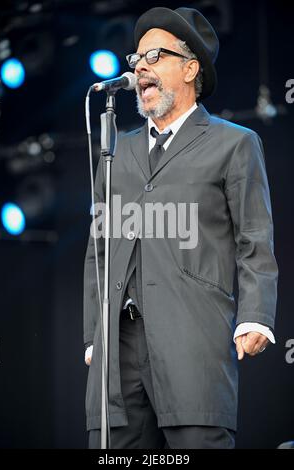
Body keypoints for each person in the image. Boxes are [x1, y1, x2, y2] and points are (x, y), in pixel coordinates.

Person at [83, 7, 278, 449]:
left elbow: (254, 237)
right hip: (118, 349)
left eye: (155, 56)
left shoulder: (234, 143)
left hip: (193, 338)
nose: (140, 67)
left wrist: (256, 316)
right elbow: (98, 247)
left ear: (191, 69)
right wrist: (95, 332)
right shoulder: (117, 151)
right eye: (136, 59)